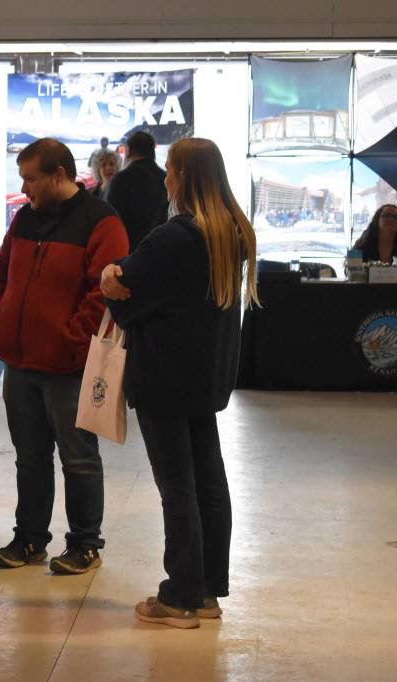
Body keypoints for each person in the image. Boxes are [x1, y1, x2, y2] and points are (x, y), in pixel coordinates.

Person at [100, 137, 259, 629]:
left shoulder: (174, 237)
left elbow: (130, 295)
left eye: (169, 168)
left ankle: (181, 595)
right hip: (205, 376)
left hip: (164, 376)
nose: (164, 177)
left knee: (178, 486)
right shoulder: (230, 231)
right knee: (208, 481)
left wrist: (110, 277)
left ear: (184, 177)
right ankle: (207, 589)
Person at [0, 138, 128, 574]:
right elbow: (0, 271)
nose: (24, 188)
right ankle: (29, 540)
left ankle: (85, 545)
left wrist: (71, 340)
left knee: (78, 457)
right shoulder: (25, 218)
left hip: (68, 366)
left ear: (59, 175)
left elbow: (104, 292)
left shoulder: (102, 222)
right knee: (29, 457)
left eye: (31, 178)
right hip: (21, 362)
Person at [105, 131, 169, 252]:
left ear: (128, 151)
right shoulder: (165, 179)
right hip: (162, 253)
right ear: (153, 152)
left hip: (127, 257)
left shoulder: (119, 180)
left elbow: (110, 223)